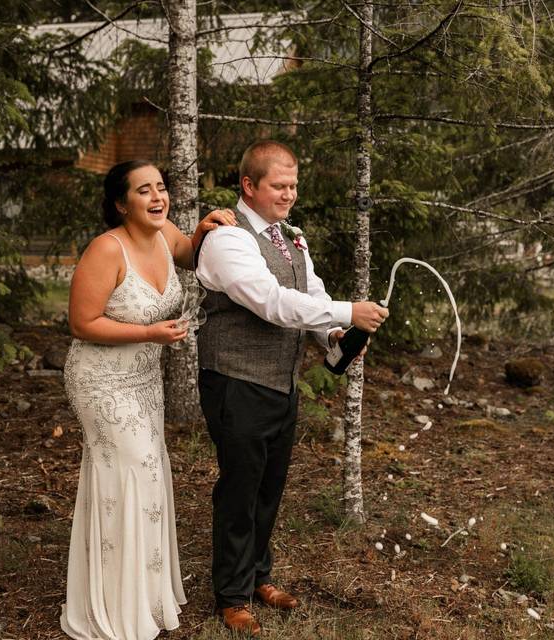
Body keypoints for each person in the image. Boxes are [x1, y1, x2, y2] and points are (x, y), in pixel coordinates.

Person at [195, 140, 389, 635]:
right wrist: (350, 310)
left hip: (280, 382)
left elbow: (309, 293)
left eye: (294, 186)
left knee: (268, 486)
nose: (289, 195)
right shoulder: (227, 239)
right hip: (235, 380)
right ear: (249, 186)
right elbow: (270, 302)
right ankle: (232, 595)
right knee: (239, 489)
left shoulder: (291, 236)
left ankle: (259, 576)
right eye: (279, 186)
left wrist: (333, 333)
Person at [61, 160, 237, 640]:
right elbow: (81, 322)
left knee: (148, 471)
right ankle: (115, 606)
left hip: (142, 379)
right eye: (144, 191)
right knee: (129, 472)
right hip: (101, 380)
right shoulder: (106, 248)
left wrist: (205, 226)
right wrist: (149, 332)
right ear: (122, 203)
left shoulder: (164, 235)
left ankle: (143, 594)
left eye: (161, 187)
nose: (158, 197)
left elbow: (190, 253)